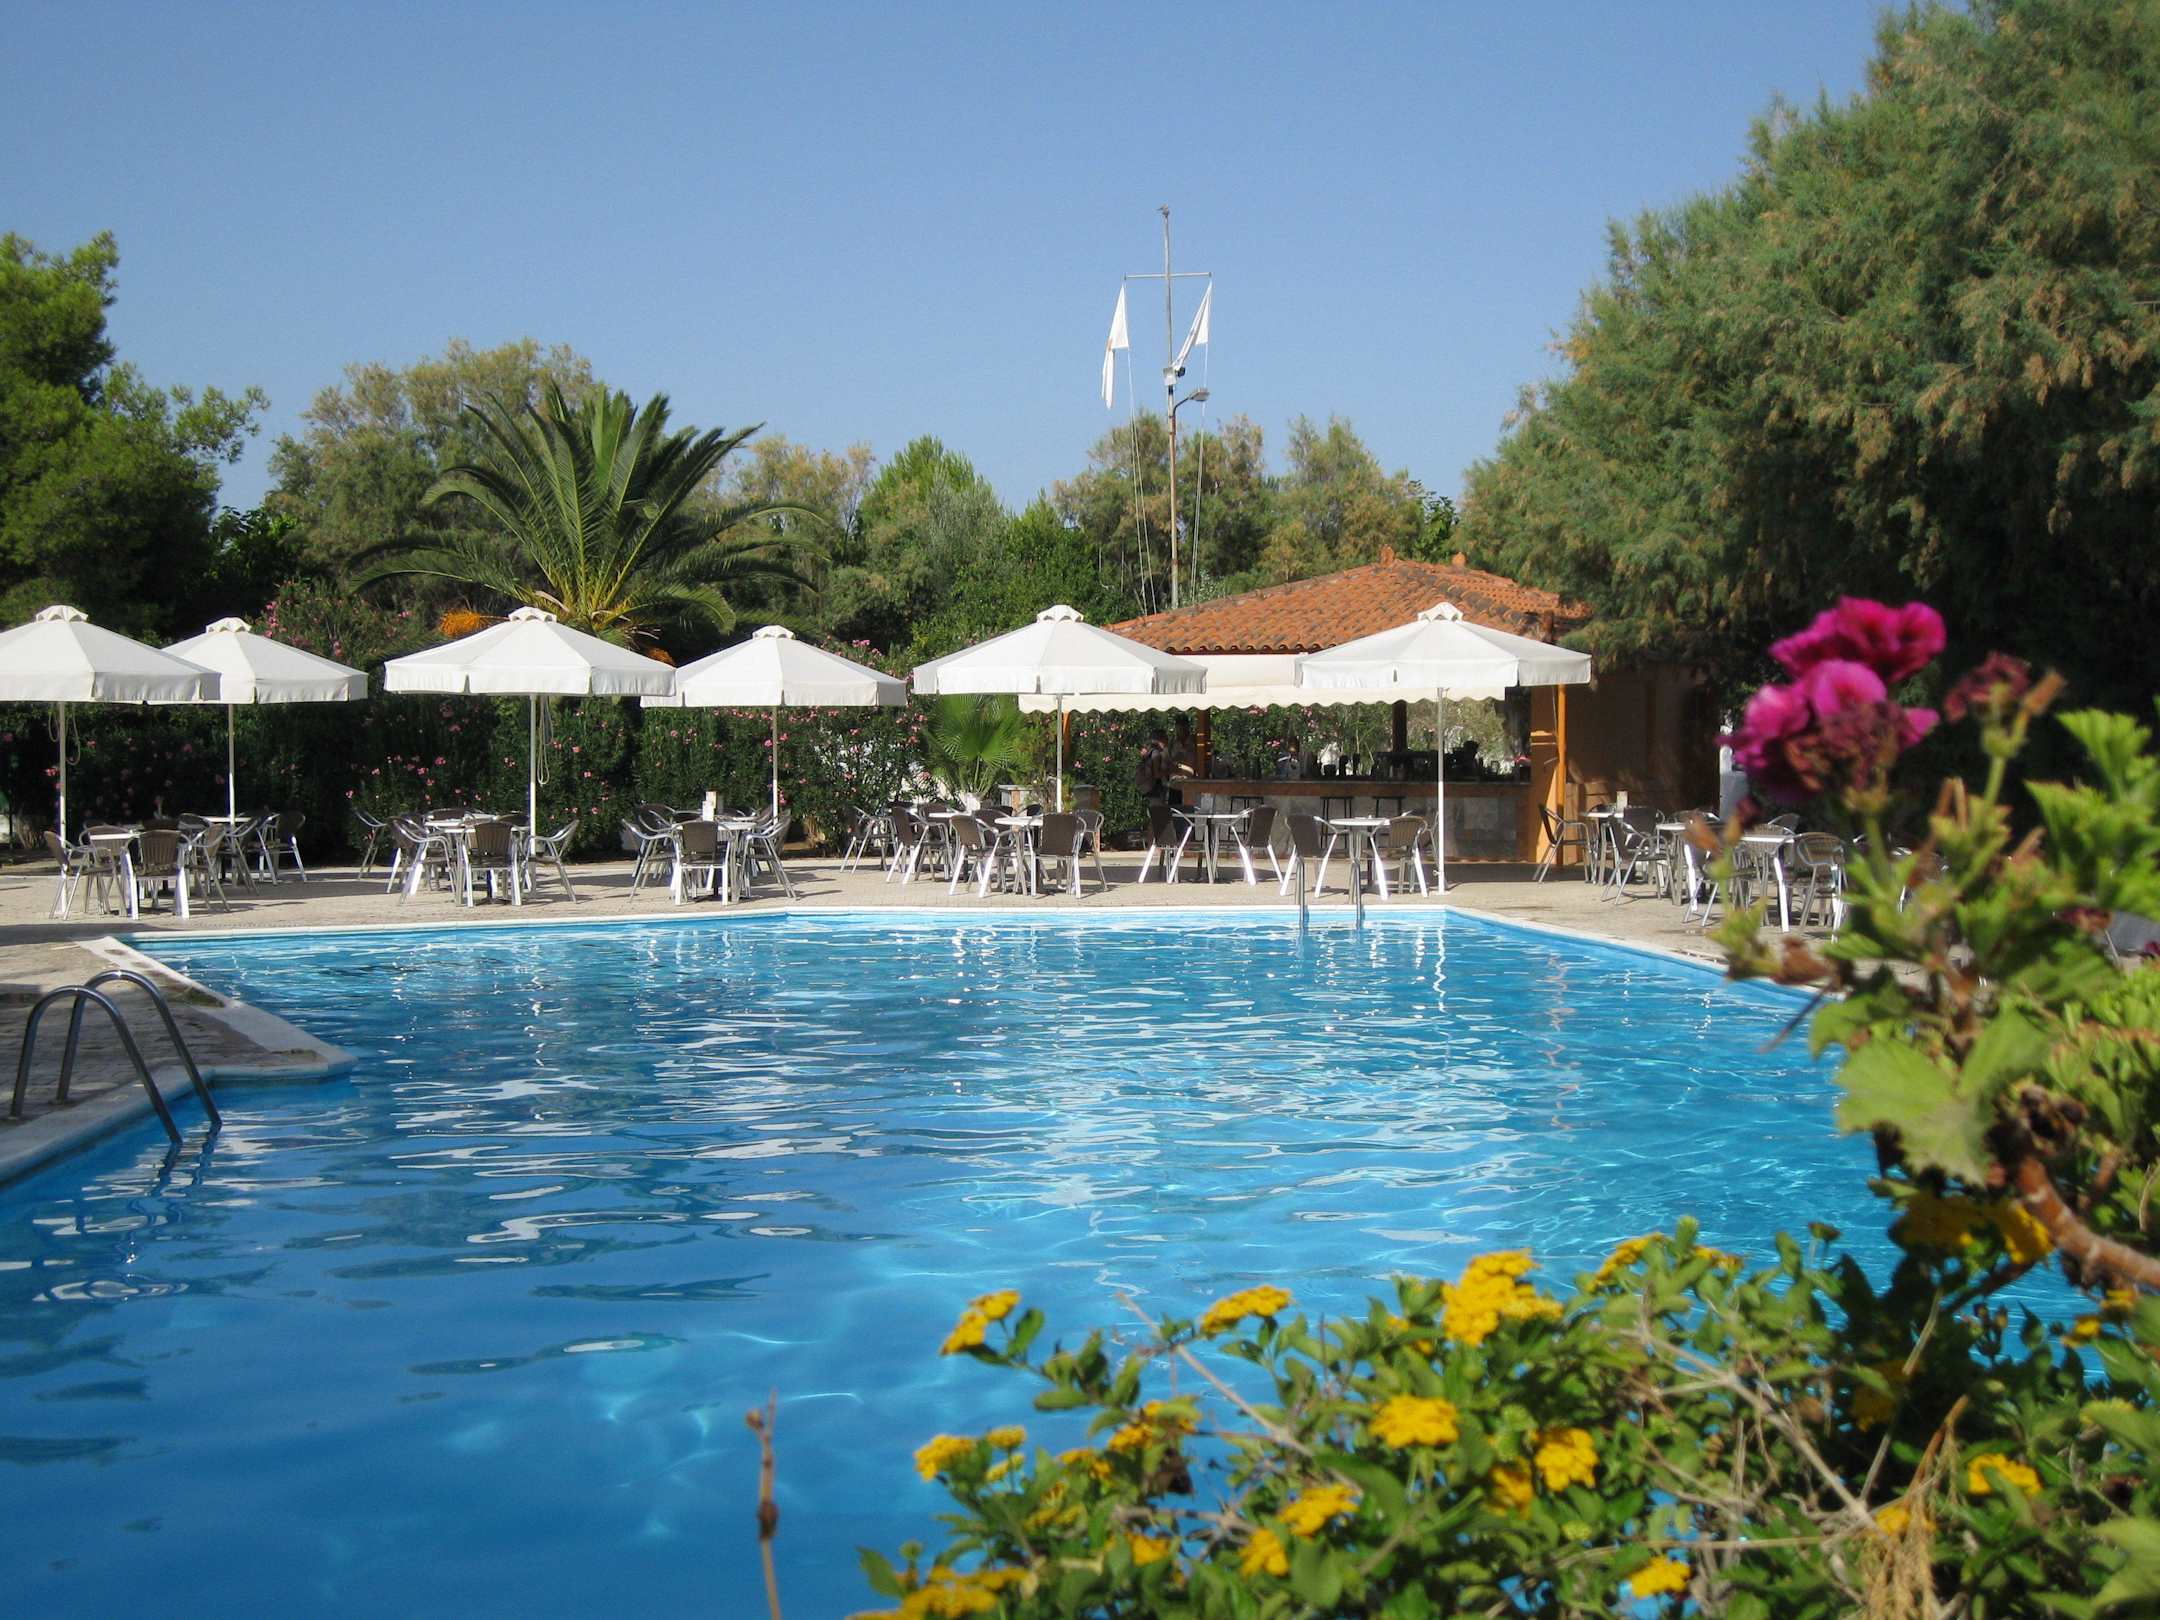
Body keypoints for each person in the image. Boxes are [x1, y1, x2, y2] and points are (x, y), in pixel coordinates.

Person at [1135, 730, 1170, 806]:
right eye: (1166, 738)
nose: (1167, 741)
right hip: (1154, 790)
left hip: (1146, 789)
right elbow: (1156, 774)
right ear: (1161, 740)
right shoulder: (1156, 753)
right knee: (1157, 811)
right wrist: (1169, 771)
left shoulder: (1149, 751)